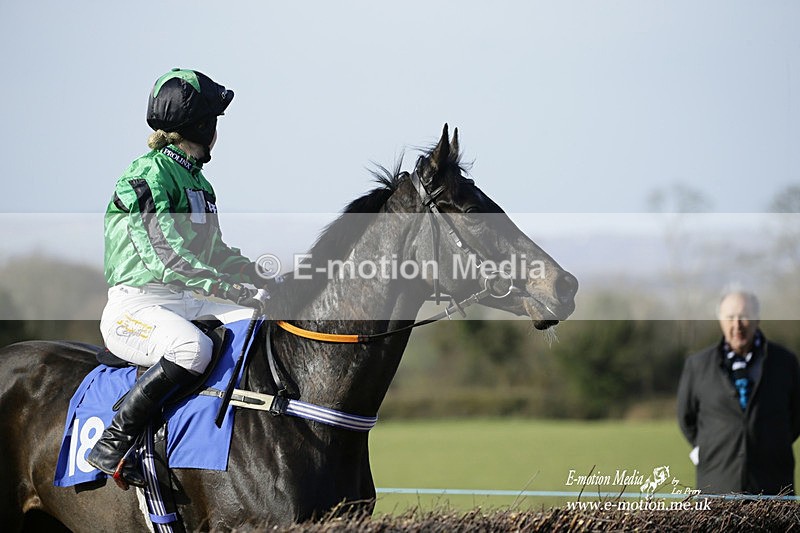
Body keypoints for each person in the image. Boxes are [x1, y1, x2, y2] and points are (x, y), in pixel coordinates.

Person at [86, 68, 272, 488]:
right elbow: (167, 256)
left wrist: (256, 274)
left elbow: (215, 252)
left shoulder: (199, 182)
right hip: (137, 305)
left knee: (258, 319)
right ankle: (113, 442)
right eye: (216, 123)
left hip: (186, 299)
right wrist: (226, 286)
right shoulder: (147, 174)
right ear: (203, 126)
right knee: (192, 349)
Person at [677, 289, 800, 495]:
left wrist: (771, 441)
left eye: (744, 316)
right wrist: (712, 446)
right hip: (716, 485)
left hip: (773, 486)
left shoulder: (785, 362)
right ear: (720, 320)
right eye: (730, 317)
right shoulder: (697, 365)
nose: (737, 325)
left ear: (757, 318)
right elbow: (686, 418)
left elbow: (797, 416)